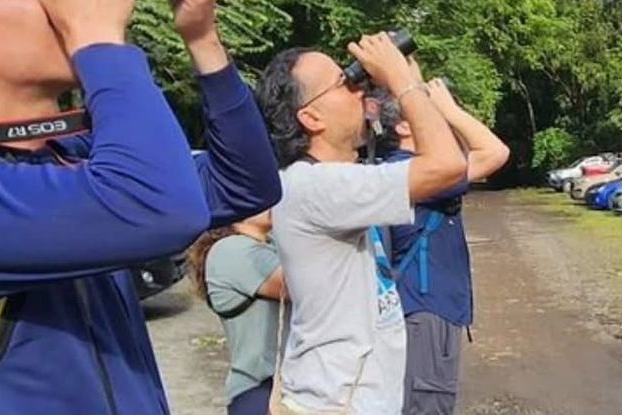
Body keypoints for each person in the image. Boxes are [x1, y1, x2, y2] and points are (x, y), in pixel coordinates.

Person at [0, 0, 281, 414]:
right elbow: (161, 207)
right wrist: (96, 35)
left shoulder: (68, 158)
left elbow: (246, 185)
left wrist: (200, 36)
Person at [255, 35, 467, 415]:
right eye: (344, 83)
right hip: (334, 402)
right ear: (311, 117)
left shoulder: (334, 179)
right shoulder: (315, 187)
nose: (358, 90)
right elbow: (447, 165)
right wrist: (402, 81)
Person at [377, 78, 509, 415]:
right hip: (425, 312)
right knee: (427, 404)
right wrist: (449, 110)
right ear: (405, 125)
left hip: (429, 309)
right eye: (428, 116)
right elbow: (495, 152)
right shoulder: (413, 173)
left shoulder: (412, 170)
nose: (441, 126)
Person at [188, 210, 288, 415]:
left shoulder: (269, 246)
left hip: (279, 389)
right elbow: (303, 286)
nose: (274, 205)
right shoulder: (231, 251)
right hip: (261, 391)